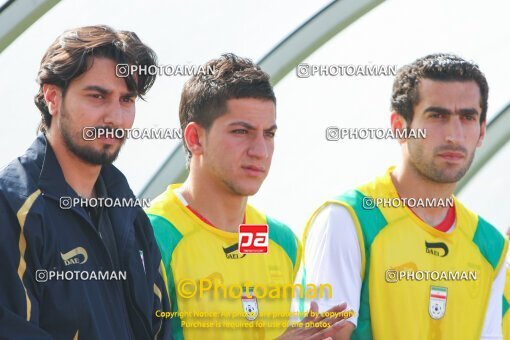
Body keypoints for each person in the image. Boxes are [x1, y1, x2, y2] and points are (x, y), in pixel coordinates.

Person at [303, 53, 508, 339]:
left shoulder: (490, 246)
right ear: (399, 126)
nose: (454, 134)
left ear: (482, 131)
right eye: (437, 116)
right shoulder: (348, 219)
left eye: (467, 117)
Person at [146, 53, 348, 340]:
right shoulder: (150, 236)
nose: (260, 151)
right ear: (195, 138)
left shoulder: (281, 241)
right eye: (241, 131)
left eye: (269, 134)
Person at [0, 25, 171, 339]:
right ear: (52, 96)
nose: (115, 117)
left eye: (126, 100)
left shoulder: (131, 216)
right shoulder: (12, 209)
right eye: (97, 96)